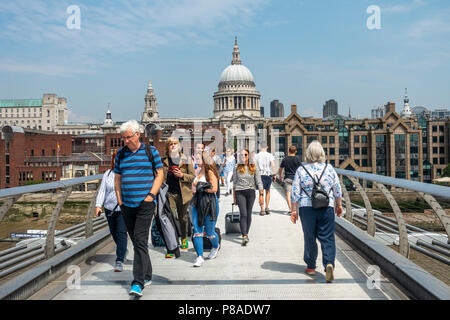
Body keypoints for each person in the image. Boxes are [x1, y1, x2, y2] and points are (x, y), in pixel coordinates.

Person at [114, 120, 164, 297]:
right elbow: (117, 178)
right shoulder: (120, 154)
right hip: (126, 204)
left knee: (140, 240)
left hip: (145, 204)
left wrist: (150, 196)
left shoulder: (151, 152)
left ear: (137, 134)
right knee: (136, 242)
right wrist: (119, 200)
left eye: (128, 137)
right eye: (123, 138)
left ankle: (137, 282)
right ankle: (147, 274)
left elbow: (160, 174)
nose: (125, 141)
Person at [290, 140, 343, 283]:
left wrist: (293, 210)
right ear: (322, 153)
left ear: (308, 154)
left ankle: (311, 266)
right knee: (327, 236)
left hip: (307, 207)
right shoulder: (329, 168)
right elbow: (337, 189)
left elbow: (295, 191)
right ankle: (329, 263)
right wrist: (339, 205)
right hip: (327, 206)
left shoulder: (301, 169)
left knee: (309, 236)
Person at [162, 137, 195, 256]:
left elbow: (192, 176)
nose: (173, 145)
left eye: (175, 143)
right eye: (170, 144)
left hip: (183, 193)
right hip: (168, 193)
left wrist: (181, 175)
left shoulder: (186, 159)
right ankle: (172, 246)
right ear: (167, 147)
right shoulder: (164, 160)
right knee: (169, 219)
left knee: (182, 217)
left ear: (179, 146)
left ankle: (184, 238)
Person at [95, 149, 128, 272]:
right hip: (109, 208)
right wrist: (98, 205)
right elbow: (102, 190)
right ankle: (122, 249)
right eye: (115, 158)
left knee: (121, 232)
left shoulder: (126, 173)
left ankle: (119, 260)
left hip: (123, 208)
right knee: (114, 232)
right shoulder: (107, 174)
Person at [191, 151, 220, 267]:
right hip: (197, 203)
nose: (196, 161)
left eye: (198, 159)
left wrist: (201, 188)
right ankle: (200, 257)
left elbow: (214, 189)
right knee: (197, 231)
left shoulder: (210, 172)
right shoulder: (198, 171)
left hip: (209, 203)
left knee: (210, 232)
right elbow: (193, 188)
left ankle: (215, 246)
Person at [232, 149, 263, 246]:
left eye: (245, 155)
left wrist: (261, 195)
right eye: (241, 155)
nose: (243, 156)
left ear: (248, 156)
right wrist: (234, 197)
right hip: (239, 192)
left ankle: (246, 233)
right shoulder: (236, 167)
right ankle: (244, 236)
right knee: (243, 213)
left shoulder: (254, 167)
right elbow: (234, 183)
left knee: (249, 213)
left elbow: (259, 181)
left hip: (251, 192)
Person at [278, 146, 301, 214]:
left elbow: (280, 169)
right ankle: (295, 210)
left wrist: (280, 176)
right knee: (296, 195)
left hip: (287, 178)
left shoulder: (285, 159)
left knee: (288, 195)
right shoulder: (297, 159)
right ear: (295, 151)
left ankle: (291, 210)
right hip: (296, 179)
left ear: (288, 151)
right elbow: (300, 169)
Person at [254, 143, 276, 215]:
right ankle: (267, 207)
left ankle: (262, 209)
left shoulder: (256, 156)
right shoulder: (270, 155)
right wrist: (274, 174)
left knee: (261, 192)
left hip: (259, 175)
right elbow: (273, 165)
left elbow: (254, 166)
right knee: (268, 191)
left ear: (260, 147)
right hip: (267, 175)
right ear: (267, 147)